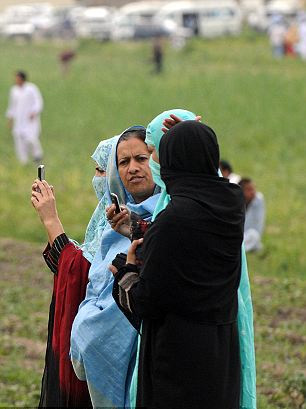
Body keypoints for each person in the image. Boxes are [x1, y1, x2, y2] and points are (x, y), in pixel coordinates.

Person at [114, 108, 256, 409]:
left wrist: (125, 272)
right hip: (221, 356)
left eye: (155, 155)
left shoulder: (172, 221)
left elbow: (145, 302)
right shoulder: (230, 207)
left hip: (178, 366)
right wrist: (190, 139)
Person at [70, 126, 160, 408]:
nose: (132, 169)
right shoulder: (113, 224)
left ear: (157, 161)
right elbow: (94, 282)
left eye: (141, 159)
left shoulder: (170, 217)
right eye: (123, 163)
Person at [31, 136, 115, 407]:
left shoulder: (123, 218)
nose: (98, 177)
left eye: (103, 170)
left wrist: (52, 221)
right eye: (96, 170)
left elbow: (85, 272)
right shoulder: (103, 214)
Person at [6, 71, 43, 164]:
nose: (16, 80)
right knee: (19, 139)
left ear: (22, 79)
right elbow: (12, 105)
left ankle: (37, 155)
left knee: (31, 138)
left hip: (30, 119)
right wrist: (10, 118)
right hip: (19, 120)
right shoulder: (14, 90)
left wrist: (34, 111)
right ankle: (23, 160)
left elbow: (38, 101)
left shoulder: (31, 88)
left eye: (17, 78)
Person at [239, 177, 265, 252]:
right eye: (249, 189)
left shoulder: (258, 200)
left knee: (254, 235)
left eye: (253, 189)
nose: (253, 192)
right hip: (236, 236)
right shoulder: (235, 202)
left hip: (248, 236)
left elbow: (259, 224)